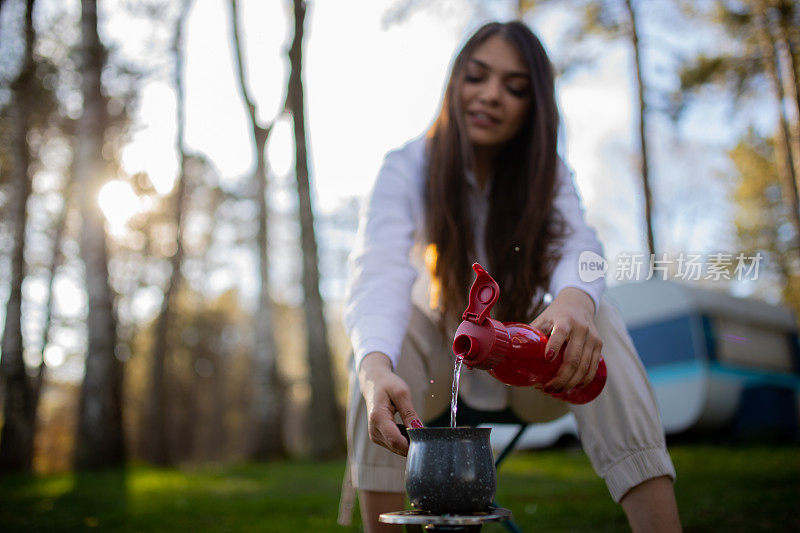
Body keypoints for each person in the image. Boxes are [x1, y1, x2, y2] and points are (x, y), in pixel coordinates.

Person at [339, 21, 681, 533]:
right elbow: (379, 270)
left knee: (598, 317)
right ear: (454, 83)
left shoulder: (551, 174)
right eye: (477, 77)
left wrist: (573, 302)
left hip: (529, 366)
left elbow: (579, 247)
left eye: (515, 87)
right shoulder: (407, 166)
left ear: (534, 106)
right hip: (432, 374)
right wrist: (373, 370)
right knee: (377, 350)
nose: (491, 95)